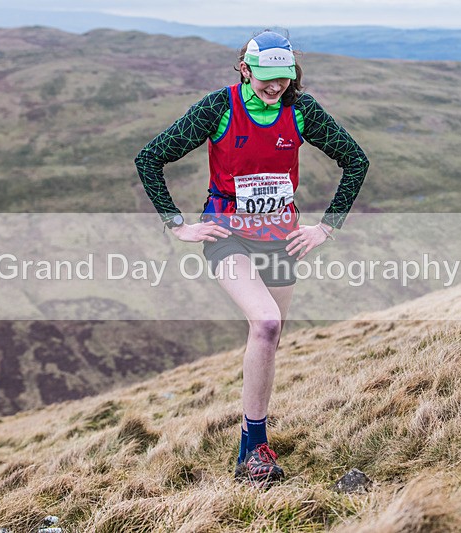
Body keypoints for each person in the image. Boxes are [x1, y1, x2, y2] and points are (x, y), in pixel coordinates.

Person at [135, 30, 369, 486]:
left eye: (283, 77)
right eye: (265, 78)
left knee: (269, 339)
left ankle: (248, 446)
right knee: (265, 323)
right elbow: (150, 158)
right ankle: (257, 449)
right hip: (227, 234)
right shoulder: (218, 107)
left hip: (281, 238)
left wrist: (326, 226)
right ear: (245, 69)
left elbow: (356, 160)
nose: (275, 86)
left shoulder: (302, 110)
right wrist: (178, 225)